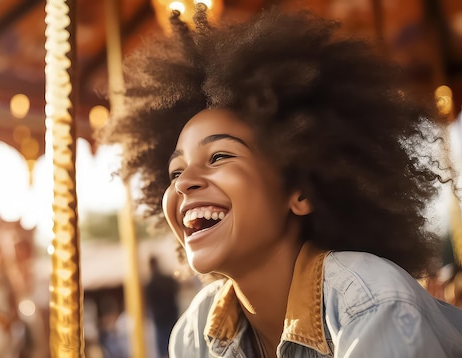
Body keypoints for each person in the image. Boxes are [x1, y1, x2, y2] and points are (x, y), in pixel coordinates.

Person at [96, 5, 462, 357]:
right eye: (175, 172)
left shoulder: (366, 299)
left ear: (299, 189)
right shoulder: (195, 331)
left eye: (219, 156)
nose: (184, 182)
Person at [145, 256, 180, 358]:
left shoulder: (151, 284)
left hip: (161, 321)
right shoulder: (168, 280)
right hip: (172, 318)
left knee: (164, 351)